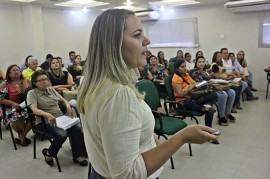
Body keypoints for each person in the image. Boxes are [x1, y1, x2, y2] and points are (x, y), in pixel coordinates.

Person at [77, 9, 218, 179]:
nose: (147, 40)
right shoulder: (119, 95)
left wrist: (152, 140)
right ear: (113, 45)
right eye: (137, 35)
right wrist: (182, 137)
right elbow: (128, 174)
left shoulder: (91, 81)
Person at [27, 70, 88, 167]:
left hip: (60, 119)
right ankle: (48, 153)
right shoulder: (32, 93)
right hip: (44, 121)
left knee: (77, 128)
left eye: (46, 79)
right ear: (35, 83)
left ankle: (78, 155)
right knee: (62, 134)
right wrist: (47, 114)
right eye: (41, 80)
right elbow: (33, 109)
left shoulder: (50, 89)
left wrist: (68, 107)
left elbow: (63, 100)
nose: (44, 82)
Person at [172, 60, 217, 129]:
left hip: (193, 97)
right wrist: (190, 86)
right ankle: (205, 109)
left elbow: (195, 84)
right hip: (184, 101)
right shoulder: (176, 78)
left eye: (185, 66)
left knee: (213, 93)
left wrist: (188, 87)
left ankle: (206, 106)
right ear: (176, 69)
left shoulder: (186, 74)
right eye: (182, 67)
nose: (185, 68)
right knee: (210, 110)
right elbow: (181, 94)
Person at [191, 56, 236, 127]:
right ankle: (221, 116)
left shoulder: (208, 70)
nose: (201, 63)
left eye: (203, 62)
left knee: (232, 92)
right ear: (196, 63)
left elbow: (214, 78)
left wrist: (217, 83)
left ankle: (227, 112)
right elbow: (199, 83)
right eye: (199, 62)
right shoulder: (194, 72)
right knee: (223, 95)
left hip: (215, 87)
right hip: (205, 91)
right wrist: (211, 82)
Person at [0, 64, 31, 146]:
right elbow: (1, 99)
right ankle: (21, 133)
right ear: (9, 74)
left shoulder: (26, 80)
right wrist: (13, 103)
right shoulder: (5, 84)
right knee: (16, 116)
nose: (16, 71)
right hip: (11, 106)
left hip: (26, 104)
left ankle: (22, 135)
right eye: (13, 71)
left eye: (17, 70)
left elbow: (32, 93)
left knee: (35, 115)